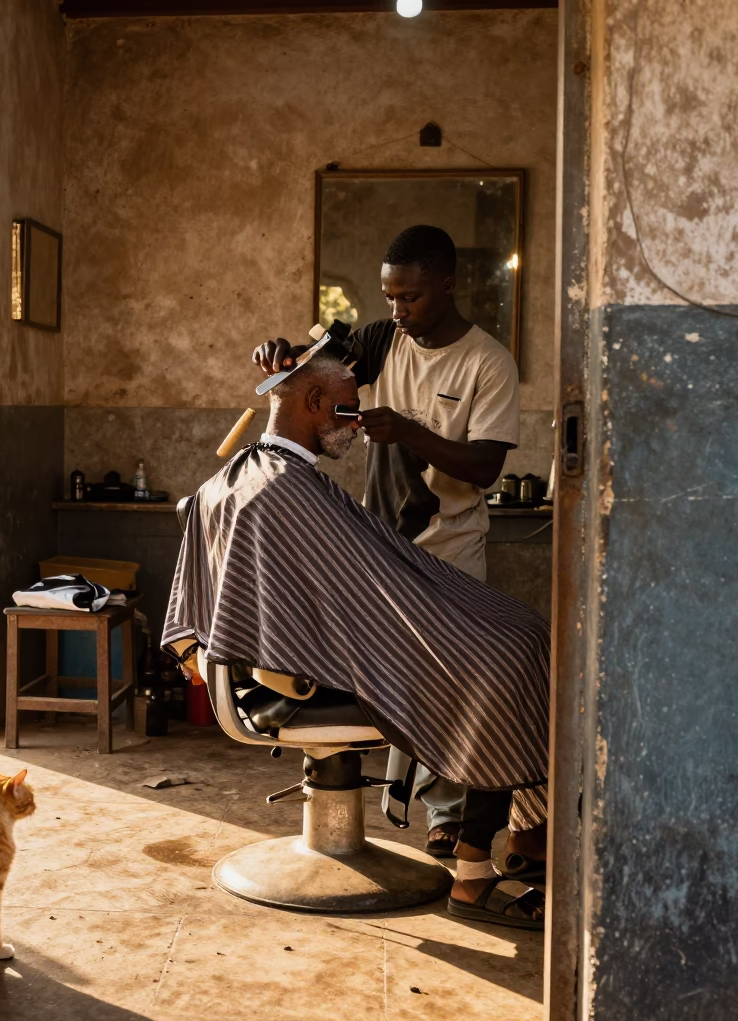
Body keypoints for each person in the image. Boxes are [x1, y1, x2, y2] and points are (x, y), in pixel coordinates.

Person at [163, 353, 548, 928]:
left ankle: (527, 838)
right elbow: (363, 597)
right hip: (302, 679)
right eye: (347, 408)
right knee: (506, 660)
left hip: (286, 664)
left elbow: (349, 592)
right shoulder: (284, 493)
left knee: (514, 638)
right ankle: (473, 877)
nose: (356, 421)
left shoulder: (249, 476)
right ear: (313, 402)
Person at [252, 224, 543, 866]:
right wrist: (285, 354)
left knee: (457, 682)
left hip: (450, 548)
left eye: (409, 297)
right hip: (382, 552)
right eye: (388, 297)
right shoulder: (383, 341)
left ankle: (447, 816)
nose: (397, 311)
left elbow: (485, 467)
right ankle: (429, 808)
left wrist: (411, 432)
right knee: (410, 675)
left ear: (448, 284)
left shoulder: (487, 362)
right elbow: (317, 365)